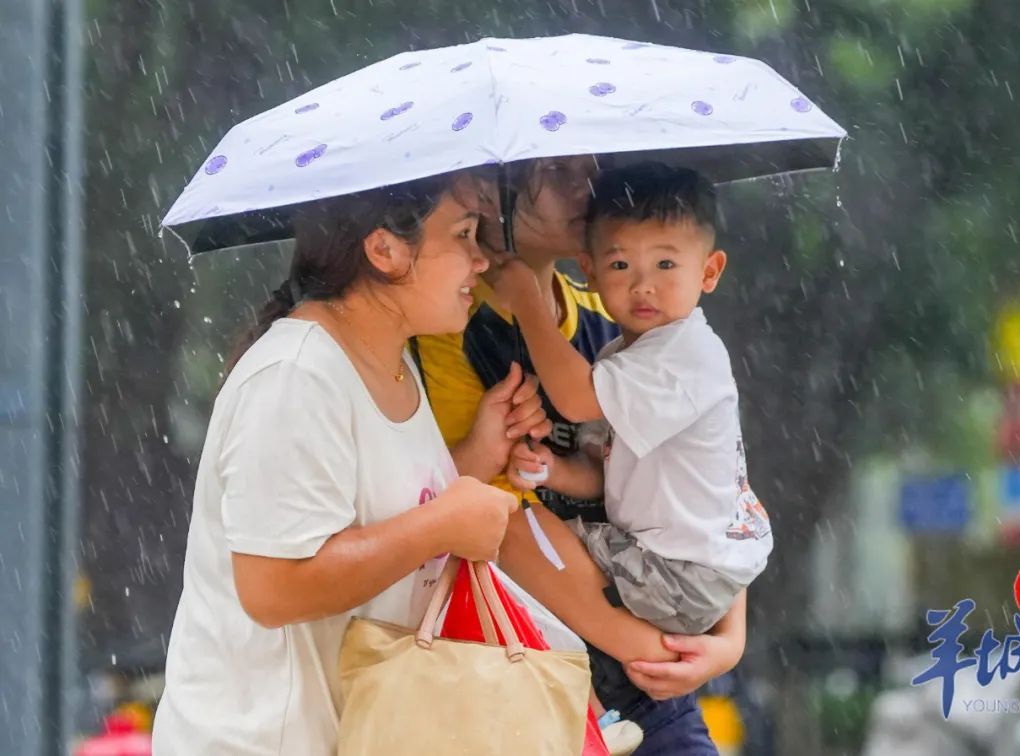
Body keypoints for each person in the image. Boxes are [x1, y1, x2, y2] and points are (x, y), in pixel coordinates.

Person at [152, 170, 552, 755]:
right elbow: (274, 587)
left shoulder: (388, 359)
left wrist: (473, 460)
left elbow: (375, 512)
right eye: (464, 234)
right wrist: (445, 523)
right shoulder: (296, 375)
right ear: (385, 249)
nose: (481, 260)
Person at [415, 156, 747, 756]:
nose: (588, 186)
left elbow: (709, 488)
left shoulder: (620, 324)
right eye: (559, 171)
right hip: (530, 675)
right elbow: (476, 513)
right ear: (487, 193)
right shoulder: (449, 331)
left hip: (653, 675)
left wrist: (727, 643)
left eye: (591, 167)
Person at [494, 162, 774, 716]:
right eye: (621, 264)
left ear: (710, 270)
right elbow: (605, 469)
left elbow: (574, 400)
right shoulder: (626, 355)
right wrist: (551, 469)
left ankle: (644, 651)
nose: (643, 284)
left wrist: (526, 300)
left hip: (680, 573)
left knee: (510, 529)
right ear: (591, 272)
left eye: (666, 263)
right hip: (691, 563)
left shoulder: (682, 356)